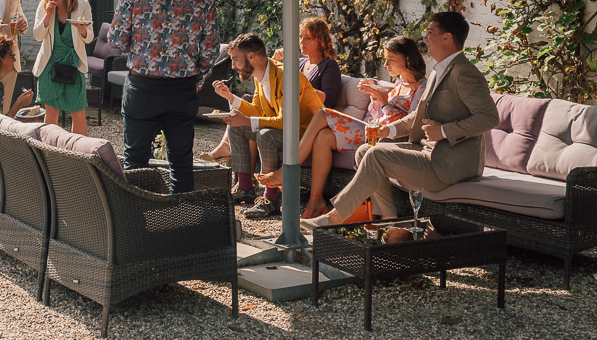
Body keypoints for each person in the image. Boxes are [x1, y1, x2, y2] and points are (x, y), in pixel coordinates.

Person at [304, 12, 500, 229]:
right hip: (430, 152)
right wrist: (386, 131)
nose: (425, 38)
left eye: (430, 33)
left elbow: (489, 117)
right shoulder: (438, 72)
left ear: (447, 38)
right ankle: (389, 222)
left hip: (451, 164)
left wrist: (444, 131)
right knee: (366, 150)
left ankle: (334, 218)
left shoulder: (464, 73)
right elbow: (418, 115)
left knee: (377, 154)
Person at [260, 35, 426, 218]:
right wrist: (375, 98)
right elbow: (379, 115)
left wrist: (383, 102)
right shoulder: (399, 83)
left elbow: (409, 124)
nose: (386, 64)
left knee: (323, 114)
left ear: (408, 59)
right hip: (374, 132)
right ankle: (316, 201)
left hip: (389, 139)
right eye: (385, 59)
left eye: (391, 60)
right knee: (323, 136)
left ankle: (287, 170)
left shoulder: (421, 89)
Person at [110, 0, 220, 194]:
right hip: (182, 88)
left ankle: (138, 222)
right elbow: (211, 50)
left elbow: (116, 40)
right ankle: (180, 226)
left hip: (143, 86)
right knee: (181, 162)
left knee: (136, 160)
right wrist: (196, 81)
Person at [201, 17, 344, 163]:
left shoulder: (329, 65)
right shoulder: (300, 63)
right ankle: (242, 177)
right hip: (283, 108)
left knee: (256, 125)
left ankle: (263, 179)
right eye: (300, 37)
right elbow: (278, 84)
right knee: (243, 106)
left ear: (320, 40)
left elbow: (328, 99)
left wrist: (296, 87)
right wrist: (271, 70)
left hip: (309, 120)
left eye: (307, 38)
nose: (302, 42)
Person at [214, 32, 324, 219]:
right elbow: (257, 109)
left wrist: (247, 121)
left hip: (306, 135)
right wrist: (230, 98)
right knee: (235, 126)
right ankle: (245, 188)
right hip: (287, 131)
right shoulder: (261, 76)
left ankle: (270, 200)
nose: (233, 66)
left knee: (266, 135)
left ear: (251, 56)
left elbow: (287, 121)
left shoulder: (285, 76)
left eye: (235, 60)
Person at [31, 0, 95, 133]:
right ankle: (51, 152)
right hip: (49, 62)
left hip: (73, 62)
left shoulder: (82, 5)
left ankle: (79, 154)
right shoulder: (43, 5)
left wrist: (82, 30)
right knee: (51, 110)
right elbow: (38, 36)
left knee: (78, 111)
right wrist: (48, 14)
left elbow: (89, 37)